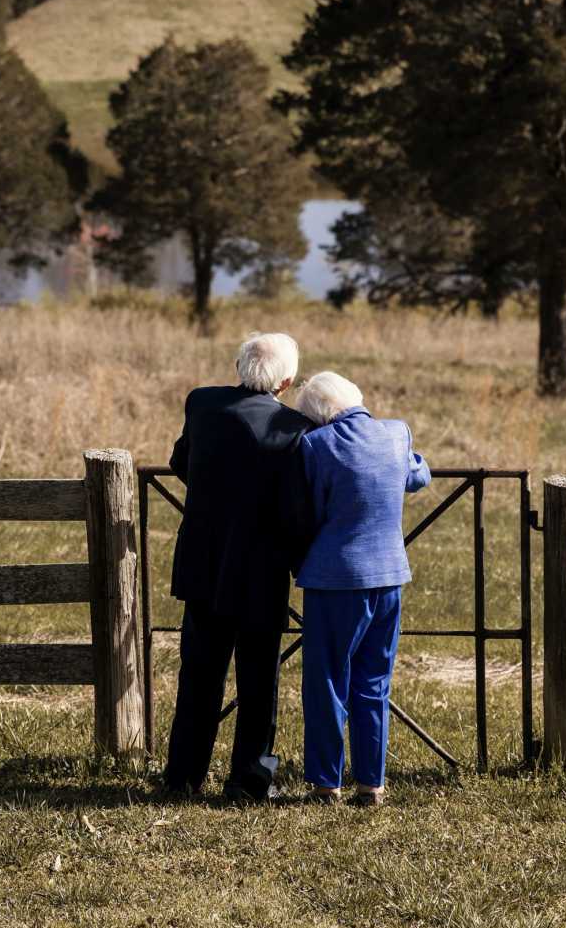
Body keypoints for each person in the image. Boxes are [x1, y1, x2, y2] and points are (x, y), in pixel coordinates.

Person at [162, 332, 313, 802]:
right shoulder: (294, 428)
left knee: (198, 677)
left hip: (203, 562)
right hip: (261, 571)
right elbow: (296, 505)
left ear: (237, 365)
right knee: (259, 682)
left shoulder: (202, 404)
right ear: (287, 381)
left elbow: (179, 461)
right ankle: (250, 781)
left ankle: (183, 778)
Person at [291, 371, 430, 807]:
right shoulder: (396, 433)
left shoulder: (315, 446)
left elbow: (309, 507)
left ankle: (325, 782)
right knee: (374, 680)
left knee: (328, 680)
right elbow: (418, 476)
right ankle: (372, 783)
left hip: (335, 579)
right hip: (389, 575)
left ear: (316, 417)